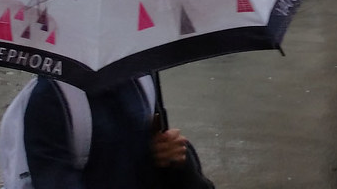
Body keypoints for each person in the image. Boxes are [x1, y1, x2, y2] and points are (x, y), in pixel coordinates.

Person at [21, 75, 213, 189]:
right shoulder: (51, 99)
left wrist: (176, 158)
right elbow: (54, 181)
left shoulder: (142, 78)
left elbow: (165, 165)